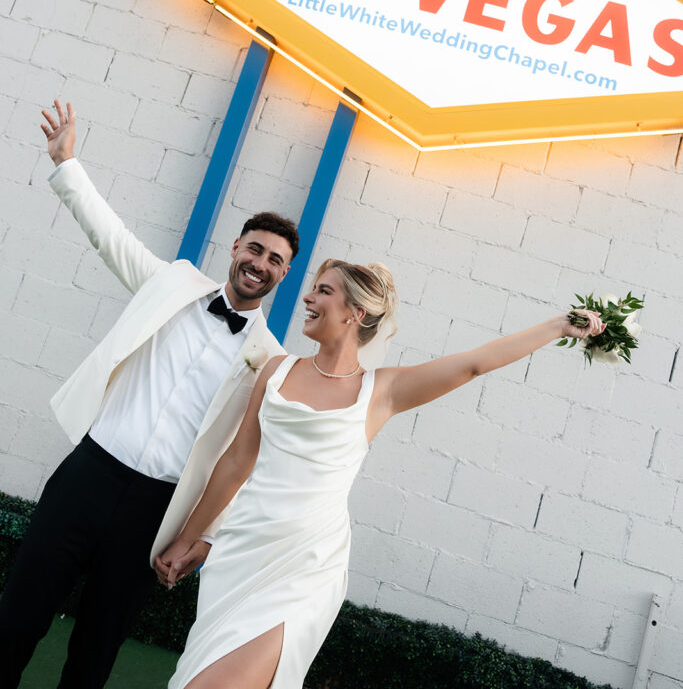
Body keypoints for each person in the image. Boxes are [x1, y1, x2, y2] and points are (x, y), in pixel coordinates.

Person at [157, 258, 604, 689]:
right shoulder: (276, 370)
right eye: (313, 288)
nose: (307, 297)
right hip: (240, 555)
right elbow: (236, 462)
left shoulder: (382, 391)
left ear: (356, 312)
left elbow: (474, 363)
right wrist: (189, 537)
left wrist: (558, 325)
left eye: (323, 291)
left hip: (305, 568)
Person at [0, 99, 299, 689]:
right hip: (89, 473)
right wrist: (67, 165)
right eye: (255, 249)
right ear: (236, 247)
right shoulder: (174, 284)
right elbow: (111, 237)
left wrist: (203, 537)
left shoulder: (272, 362)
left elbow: (247, 462)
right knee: (17, 615)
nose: (260, 263)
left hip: (155, 512)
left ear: (284, 275)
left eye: (275, 260)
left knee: (97, 647)